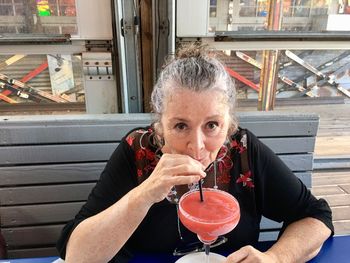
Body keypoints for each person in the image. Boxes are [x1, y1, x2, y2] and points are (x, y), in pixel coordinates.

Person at [57, 44, 333, 263]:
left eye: (212, 125)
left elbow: (315, 217)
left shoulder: (243, 150)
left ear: (229, 124)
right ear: (160, 125)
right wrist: (145, 194)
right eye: (180, 126)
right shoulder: (137, 152)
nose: (198, 146)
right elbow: (77, 256)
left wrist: (276, 257)